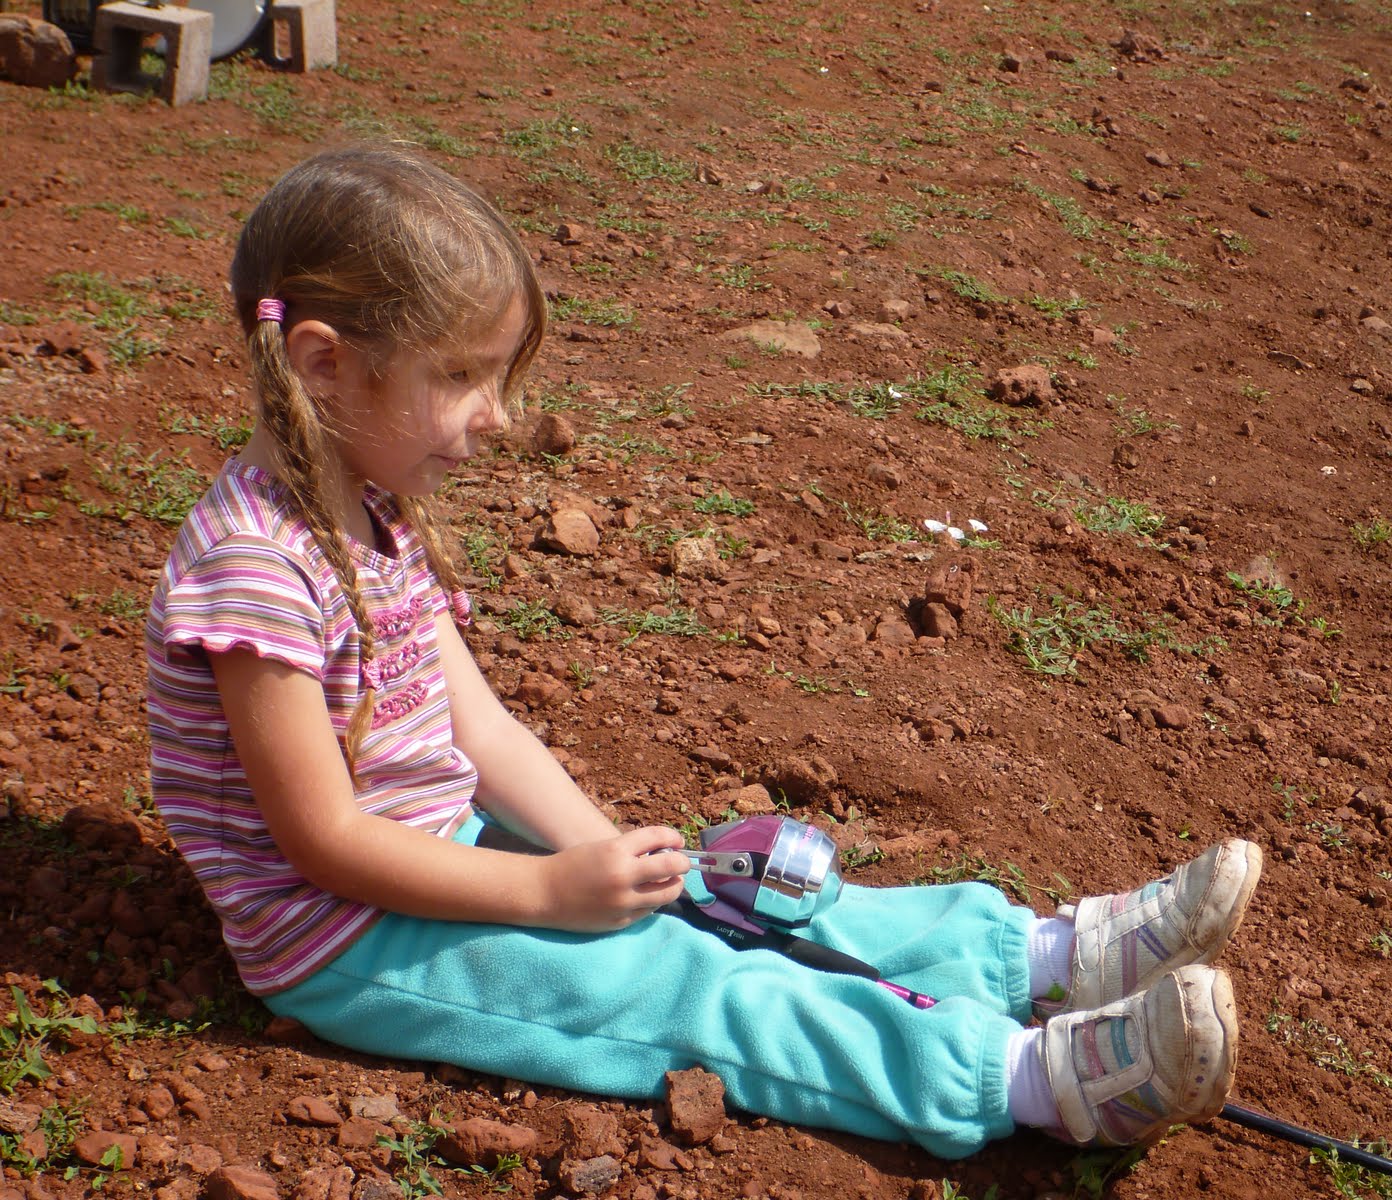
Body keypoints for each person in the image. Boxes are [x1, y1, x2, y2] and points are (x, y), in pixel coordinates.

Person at [145, 144, 1264, 1160]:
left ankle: (1041, 957)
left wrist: (619, 866)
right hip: (351, 939)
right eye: (458, 377)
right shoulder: (255, 564)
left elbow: (474, 725)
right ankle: (1033, 1080)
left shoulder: (371, 507)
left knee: (745, 900)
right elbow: (327, 842)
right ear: (324, 362)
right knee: (684, 987)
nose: (495, 415)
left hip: (439, 851)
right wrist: (548, 895)